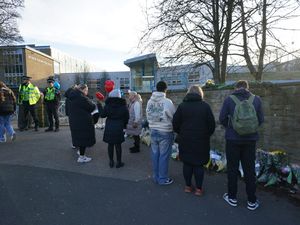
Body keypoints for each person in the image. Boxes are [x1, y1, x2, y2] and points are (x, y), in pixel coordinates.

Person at [219, 80, 264, 211]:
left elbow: (222, 118)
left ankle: (232, 197)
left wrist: (231, 127)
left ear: (236, 88)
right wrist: (250, 129)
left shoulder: (229, 100)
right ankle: (251, 200)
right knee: (249, 170)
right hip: (250, 140)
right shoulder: (257, 100)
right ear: (247, 88)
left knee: (232, 168)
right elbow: (261, 120)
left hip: (232, 139)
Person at [173, 85, 215, 196]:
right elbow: (212, 125)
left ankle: (187, 186)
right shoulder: (205, 106)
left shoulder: (182, 106)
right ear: (200, 93)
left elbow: (175, 123)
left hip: (185, 139)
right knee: (198, 165)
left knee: (187, 163)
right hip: (201, 140)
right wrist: (206, 135)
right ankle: (198, 189)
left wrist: (181, 132)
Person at [146, 81, 176, 185]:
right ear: (165, 90)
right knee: (163, 155)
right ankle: (162, 178)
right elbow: (173, 116)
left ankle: (156, 176)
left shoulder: (150, 101)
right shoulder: (167, 102)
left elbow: (148, 115)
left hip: (153, 130)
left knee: (155, 154)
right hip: (165, 131)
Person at [98, 89, 129, 168]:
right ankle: (119, 162)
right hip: (119, 126)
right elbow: (126, 118)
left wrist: (99, 106)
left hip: (109, 126)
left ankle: (111, 161)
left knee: (110, 145)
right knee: (118, 145)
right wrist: (124, 126)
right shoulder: (123, 105)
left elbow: (102, 115)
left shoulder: (108, 105)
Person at [68, 84, 97, 163]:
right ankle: (82, 157)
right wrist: (93, 104)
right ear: (82, 89)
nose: (87, 92)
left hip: (74, 120)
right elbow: (91, 107)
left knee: (78, 137)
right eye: (86, 90)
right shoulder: (81, 97)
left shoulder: (71, 96)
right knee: (83, 138)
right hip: (83, 122)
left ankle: (80, 152)